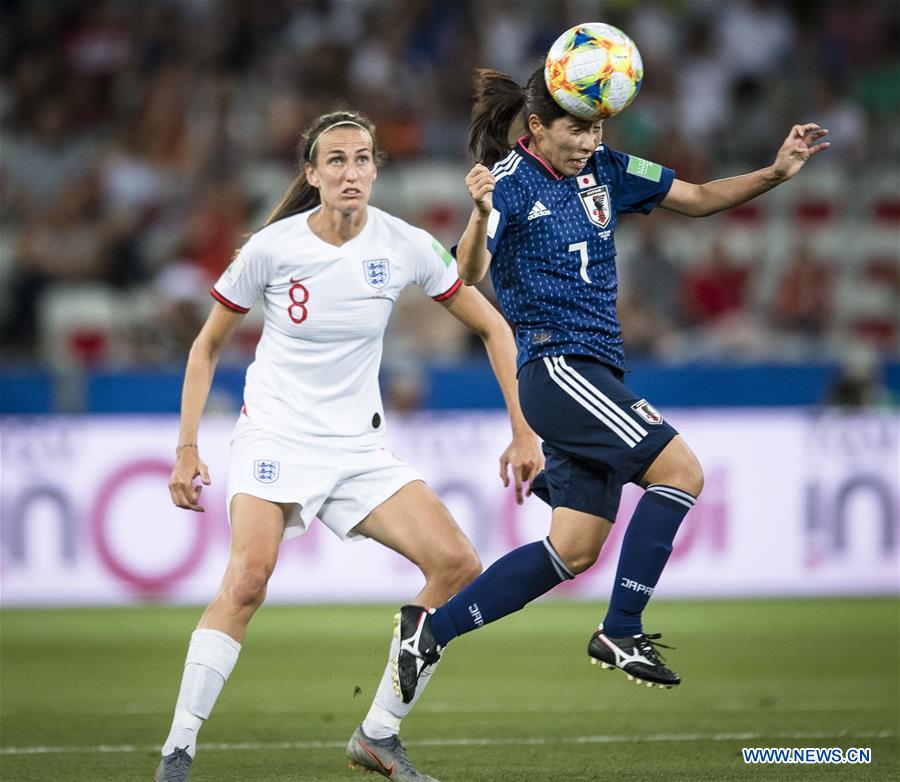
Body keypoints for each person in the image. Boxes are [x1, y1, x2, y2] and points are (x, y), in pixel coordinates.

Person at [393, 64, 829, 701]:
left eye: (596, 127)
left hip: (593, 370)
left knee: (573, 549)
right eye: (576, 129)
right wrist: (479, 210)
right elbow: (471, 269)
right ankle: (622, 628)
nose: (589, 141)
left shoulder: (610, 170)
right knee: (681, 472)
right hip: (557, 366)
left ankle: (430, 632)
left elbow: (700, 198)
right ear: (537, 127)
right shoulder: (508, 185)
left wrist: (774, 172)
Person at [154, 110, 543, 782]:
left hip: (357, 451)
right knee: (248, 580)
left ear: (375, 170)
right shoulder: (272, 248)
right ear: (312, 174)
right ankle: (179, 751)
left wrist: (522, 429)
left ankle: (378, 733)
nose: (350, 171)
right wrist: (187, 447)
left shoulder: (405, 244)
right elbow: (207, 344)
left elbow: (495, 329)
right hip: (274, 435)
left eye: (361, 159)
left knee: (456, 564)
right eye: (335, 160)